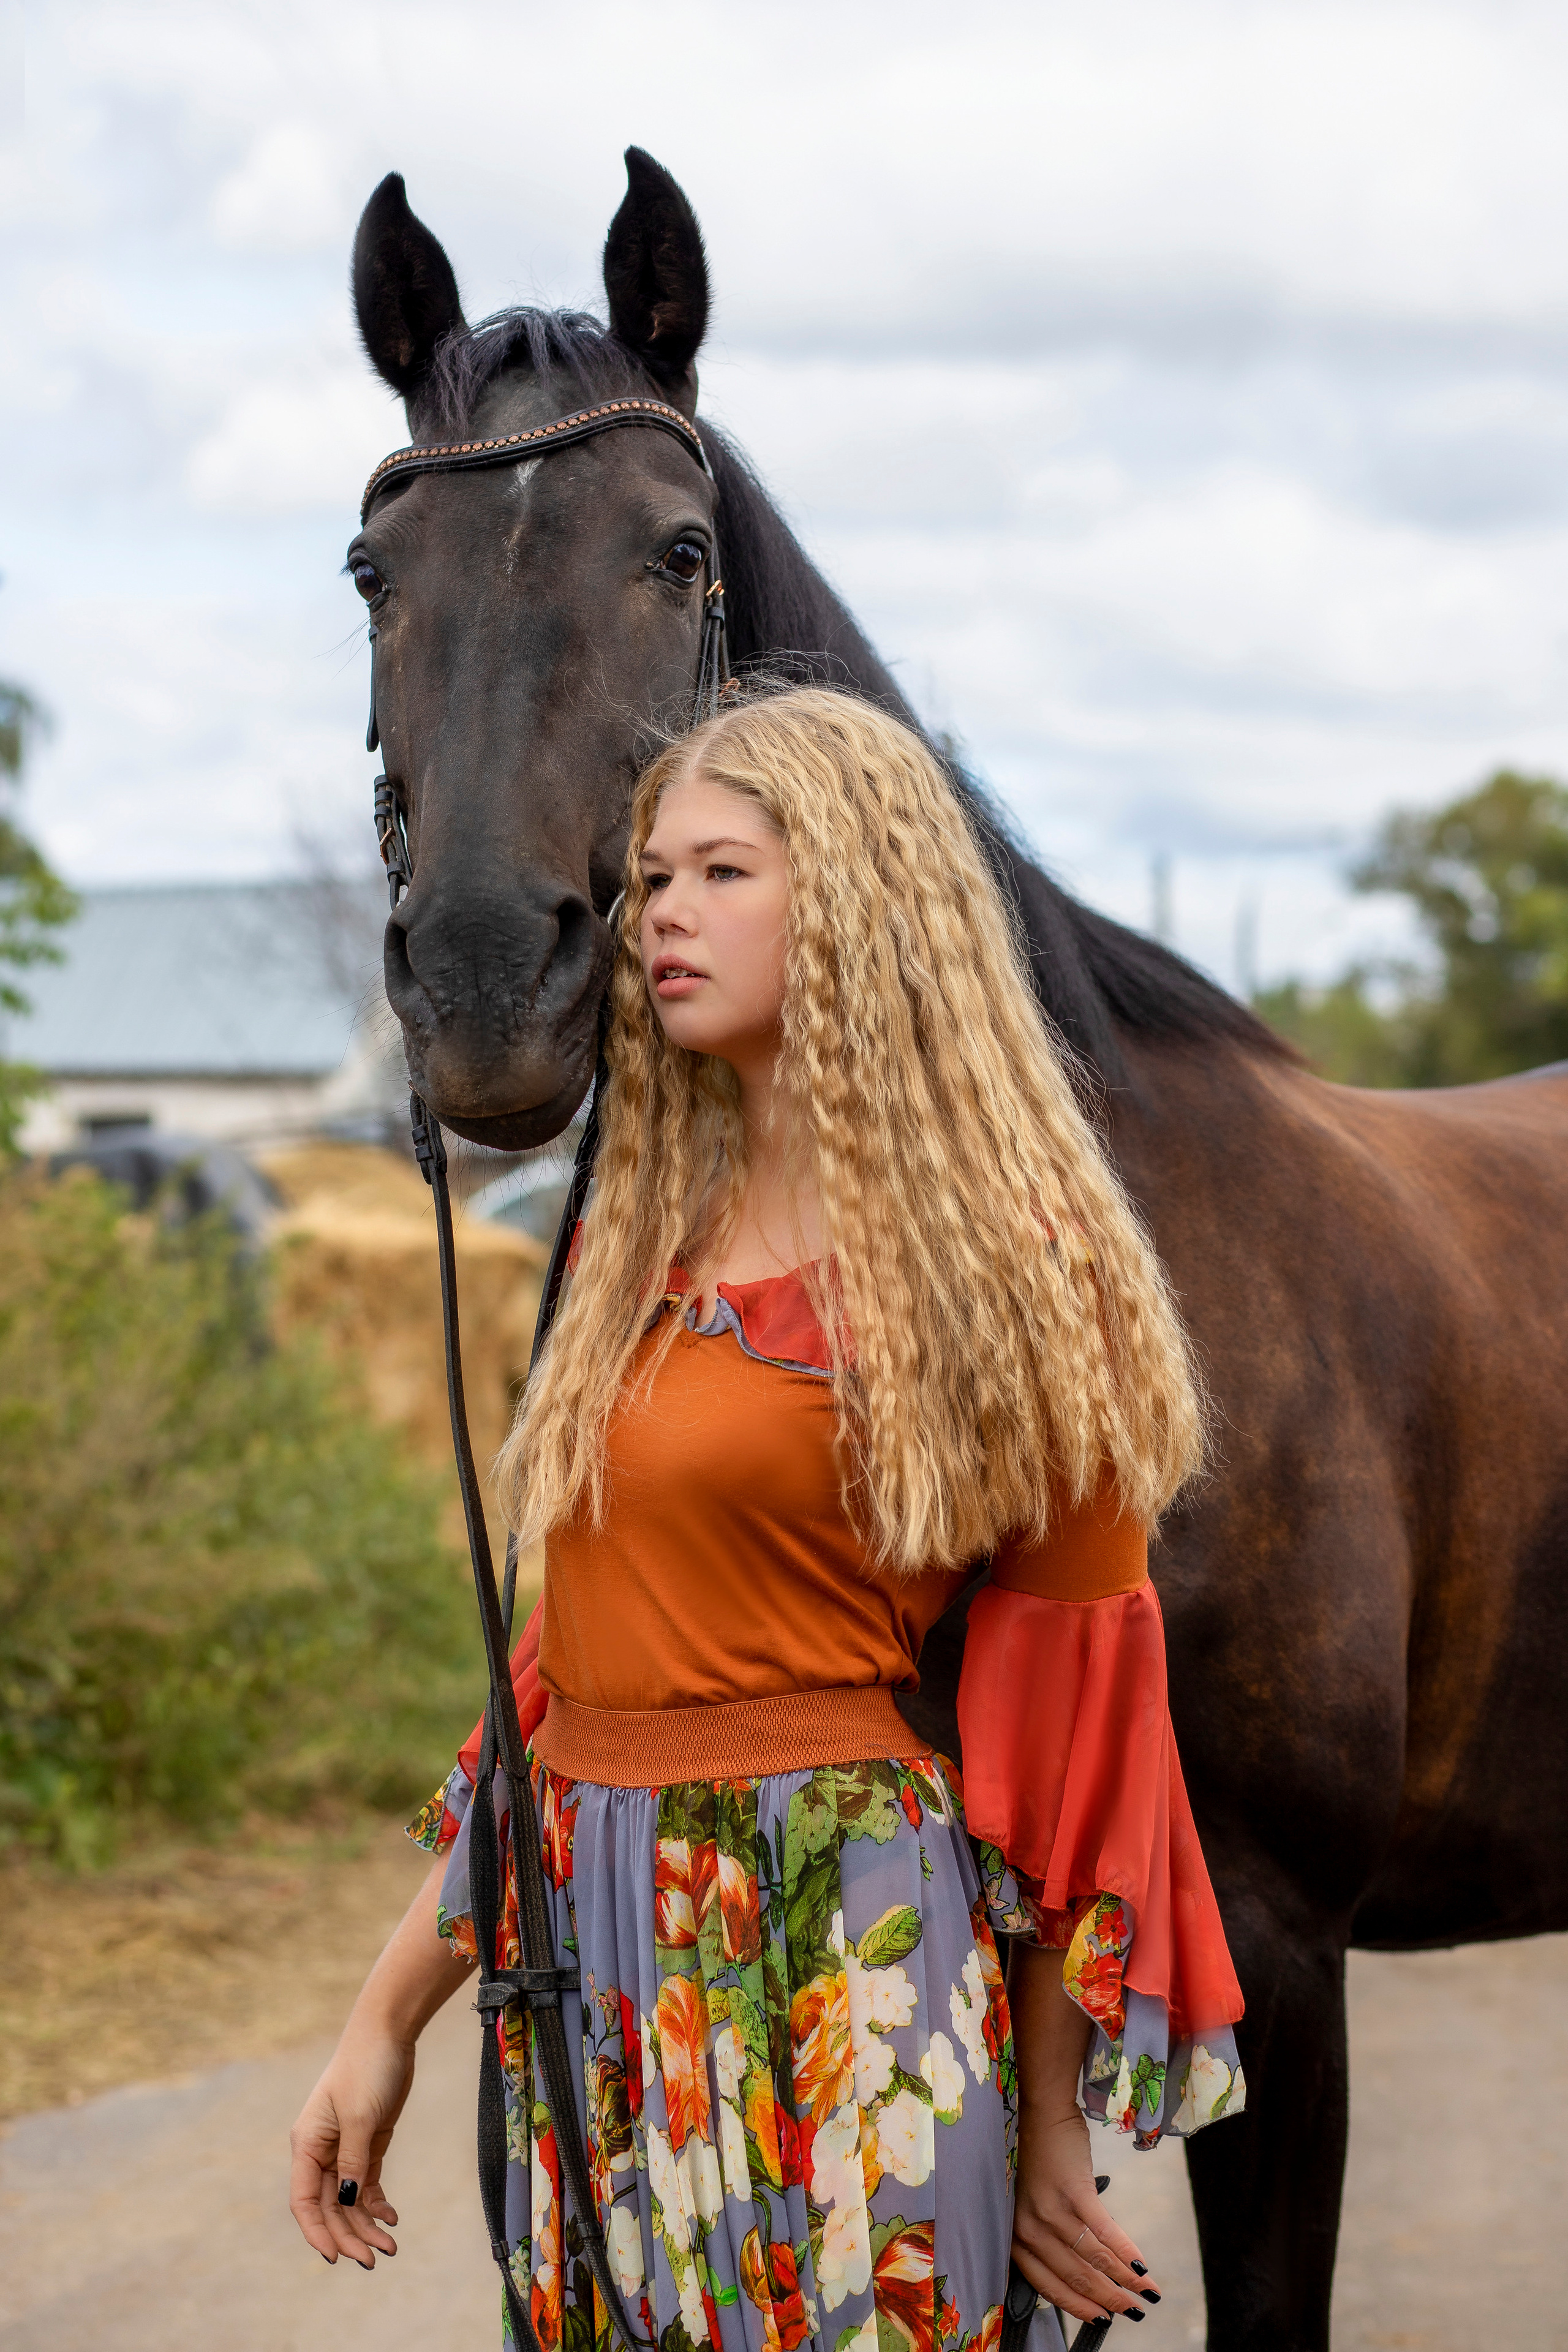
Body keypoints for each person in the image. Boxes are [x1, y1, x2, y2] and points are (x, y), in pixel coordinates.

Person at [288, 687, 1245, 2352]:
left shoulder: (1016, 1266)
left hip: (848, 1942)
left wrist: (1051, 2134)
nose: (660, 912)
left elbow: (1075, 1728)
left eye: (721, 871)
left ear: (866, 899)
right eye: (653, 877)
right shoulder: (631, 1247)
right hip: (593, 1962)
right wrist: (387, 2019)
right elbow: (557, 1686)